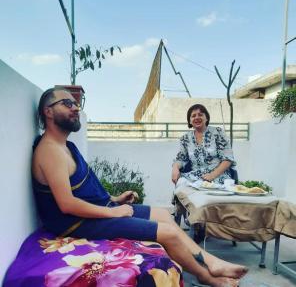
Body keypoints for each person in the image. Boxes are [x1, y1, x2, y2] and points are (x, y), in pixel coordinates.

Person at [32, 88, 247, 287]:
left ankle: (209, 262)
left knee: (163, 214)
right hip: (77, 223)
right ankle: (206, 274)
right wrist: (112, 212)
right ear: (48, 111)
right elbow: (67, 204)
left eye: (76, 103)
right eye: (67, 103)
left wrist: (115, 199)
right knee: (169, 233)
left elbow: (82, 189)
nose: (76, 107)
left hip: (99, 210)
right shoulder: (50, 151)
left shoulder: (65, 146)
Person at [172, 104, 236, 185]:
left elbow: (228, 159)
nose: (197, 117)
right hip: (195, 176)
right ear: (190, 121)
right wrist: (175, 168)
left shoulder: (218, 132)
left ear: (206, 118)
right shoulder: (185, 138)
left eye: (200, 114)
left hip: (218, 176)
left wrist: (212, 176)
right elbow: (181, 159)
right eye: (193, 116)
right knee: (181, 186)